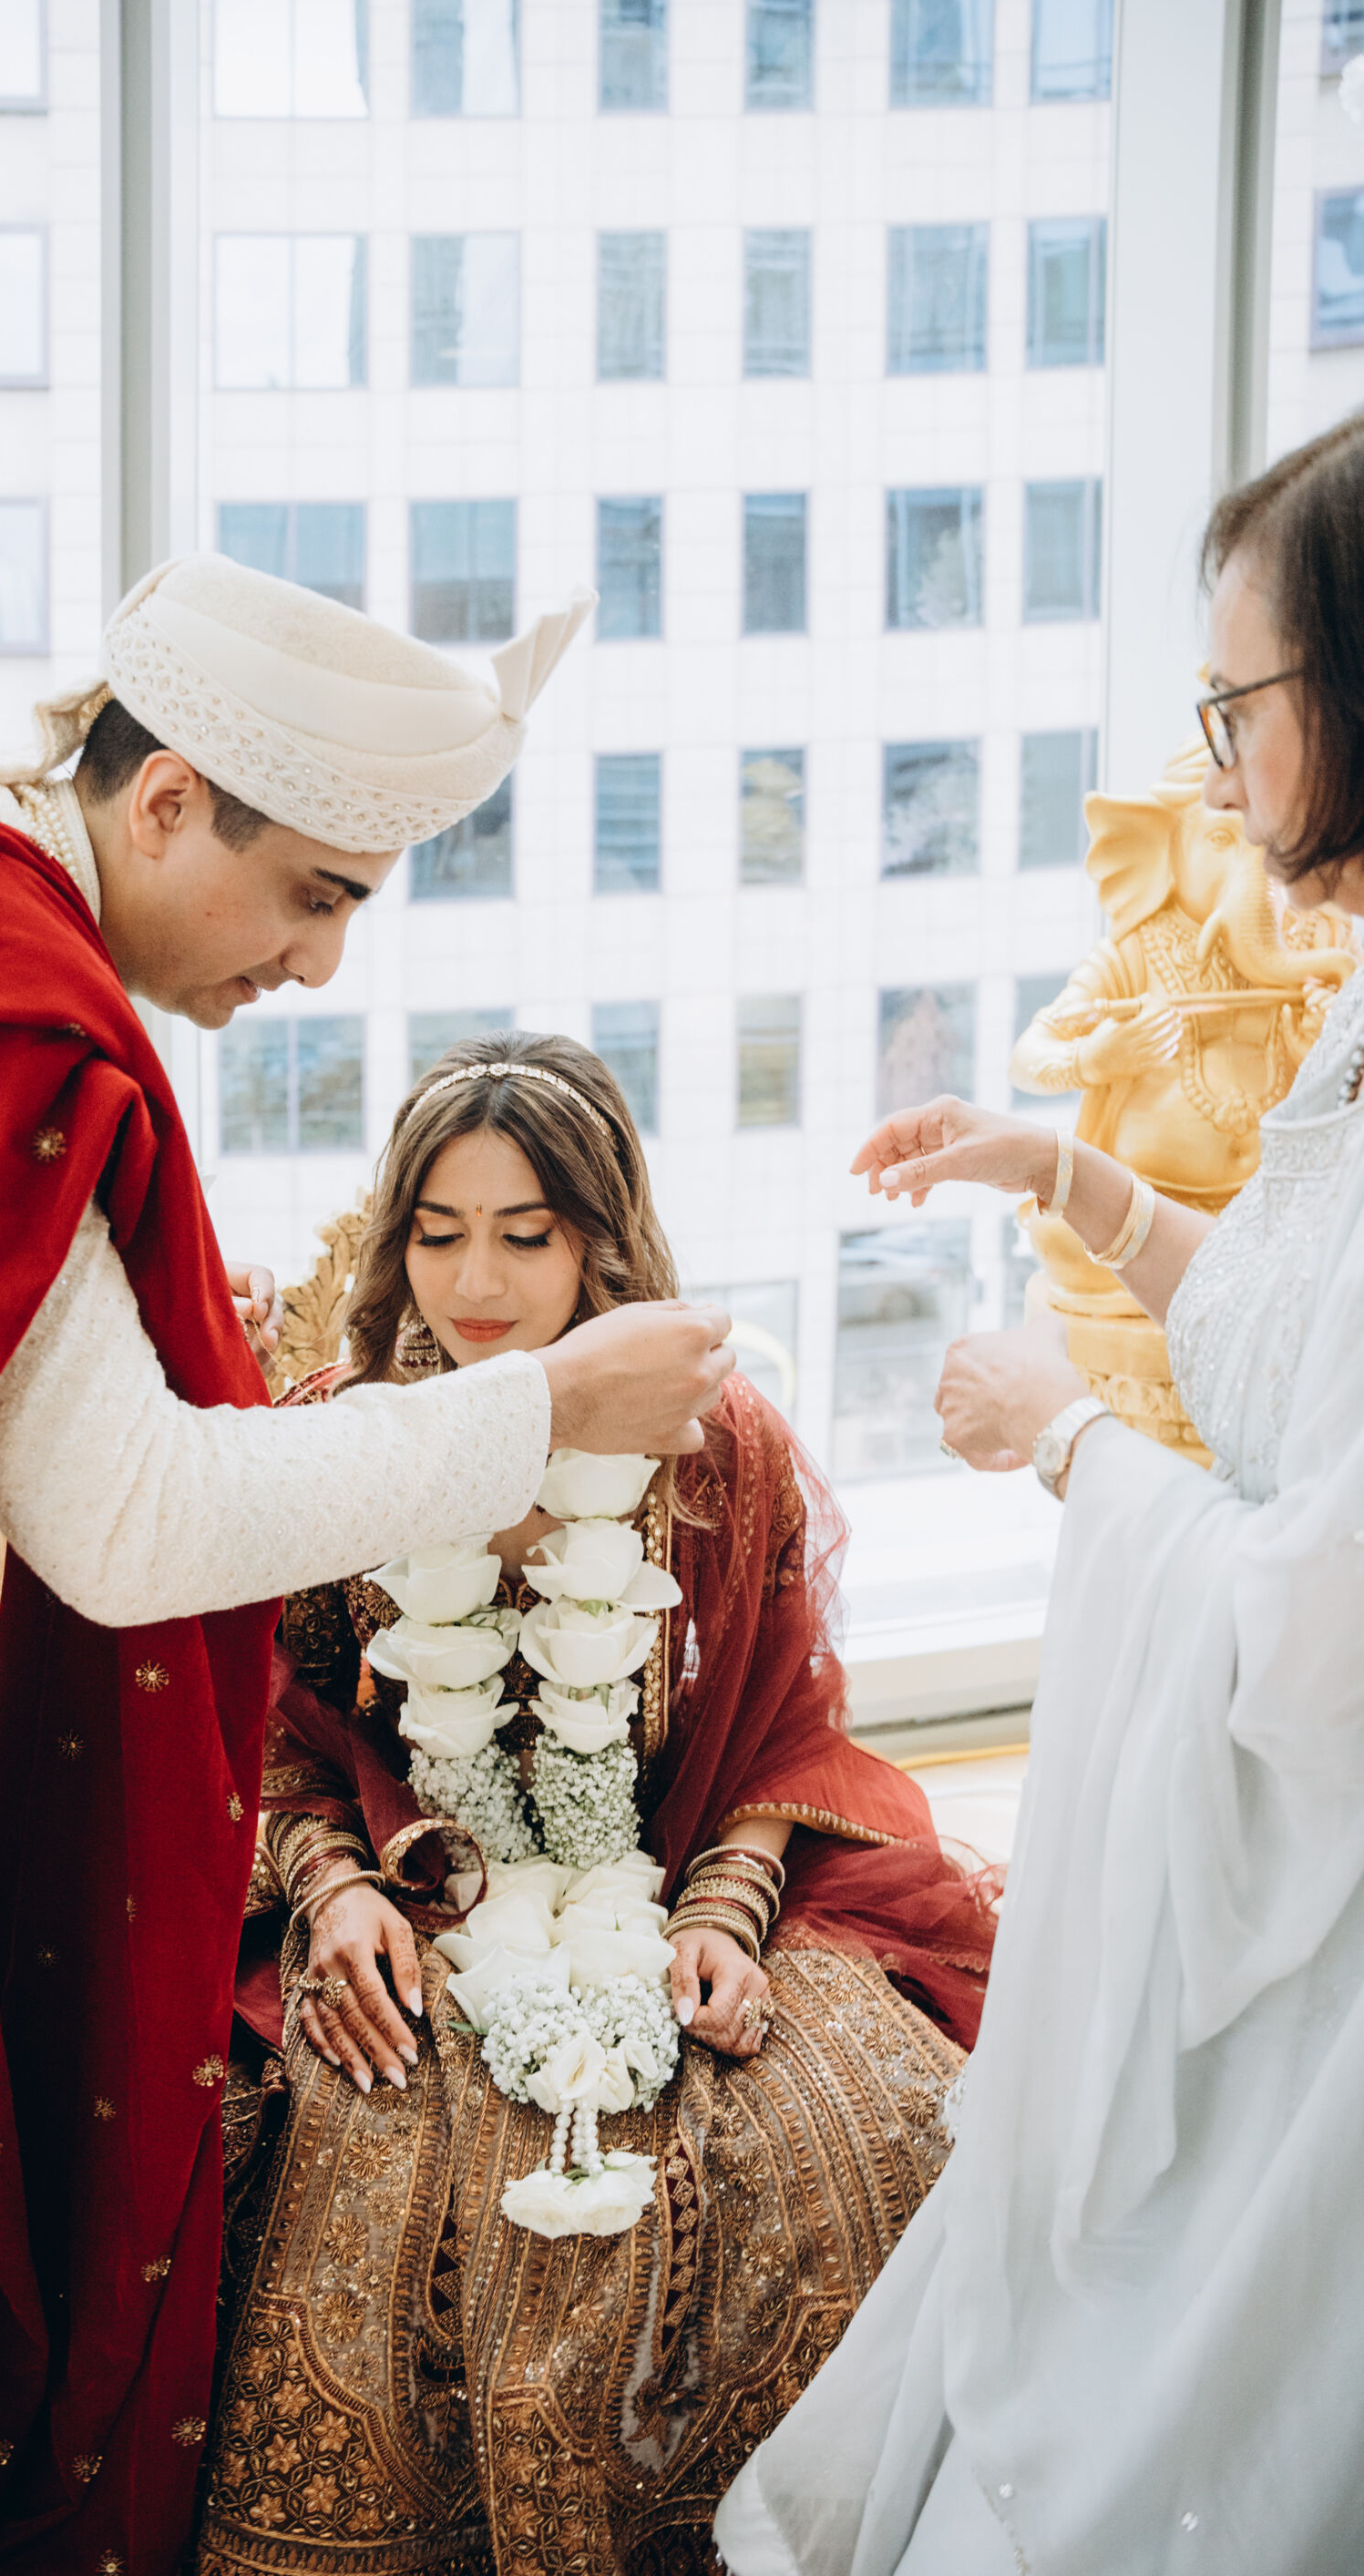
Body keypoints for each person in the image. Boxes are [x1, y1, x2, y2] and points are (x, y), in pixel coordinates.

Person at [0, 555, 737, 2576]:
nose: (318, 963)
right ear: (162, 801)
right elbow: (130, 1526)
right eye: (313, 893)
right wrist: (550, 1405)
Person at [716, 414, 1364, 2576]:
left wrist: (1067, 1438)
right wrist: (1074, 1179)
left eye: (1238, 706)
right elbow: (1299, 1339)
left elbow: (1314, 1629)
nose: (1212, 769)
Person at [192, 1035, 998, 2576]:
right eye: (438, 1233)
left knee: (865, 2133)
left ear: (601, 1244)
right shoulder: (342, 1432)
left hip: (673, 1872)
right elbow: (265, 1726)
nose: (474, 1282)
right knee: (333, 2148)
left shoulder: (716, 1443)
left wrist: (723, 1919)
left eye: (525, 1234)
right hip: (395, 1891)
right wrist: (334, 1891)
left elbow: (779, 1718)